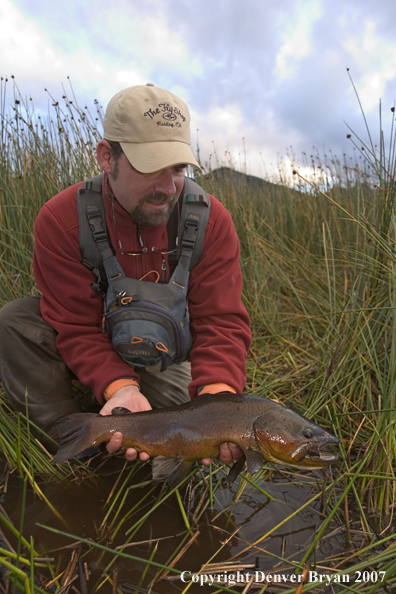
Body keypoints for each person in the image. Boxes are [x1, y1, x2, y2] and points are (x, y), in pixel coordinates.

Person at [0, 83, 251, 468]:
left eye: (179, 169)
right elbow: (74, 326)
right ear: (106, 157)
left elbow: (220, 322)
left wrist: (218, 403)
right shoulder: (61, 219)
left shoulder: (210, 220)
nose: (168, 188)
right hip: (93, 342)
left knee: (182, 436)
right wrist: (120, 387)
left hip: (162, 359)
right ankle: (72, 445)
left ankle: (126, 441)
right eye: (150, 166)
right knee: (15, 321)